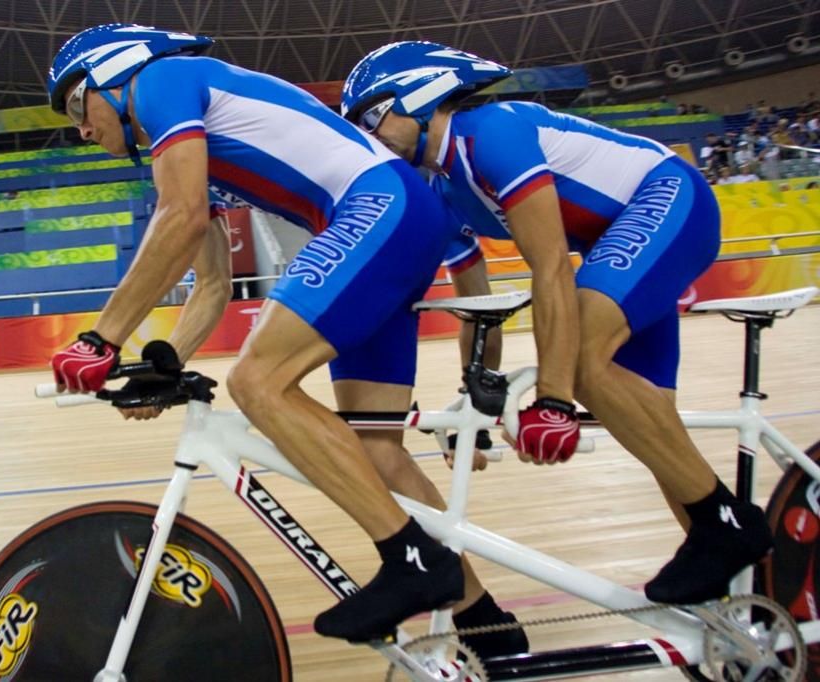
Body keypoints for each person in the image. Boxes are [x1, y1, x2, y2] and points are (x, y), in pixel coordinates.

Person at [45, 24, 528, 655]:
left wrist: (100, 339)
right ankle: (484, 619)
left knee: (257, 381)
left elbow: (180, 215)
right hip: (394, 215)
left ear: (112, 69)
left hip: (374, 207)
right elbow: (213, 283)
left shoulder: (160, 80)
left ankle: (412, 562)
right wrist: (164, 364)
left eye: (78, 103)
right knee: (374, 446)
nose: (81, 128)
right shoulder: (186, 142)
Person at [341, 41, 774, 605]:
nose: (366, 136)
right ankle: (748, 607)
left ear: (423, 98)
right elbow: (478, 302)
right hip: (618, 243)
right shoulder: (438, 189)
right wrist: (473, 401)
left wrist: (554, 398)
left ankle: (726, 525)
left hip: (667, 199)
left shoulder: (488, 132)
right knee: (650, 422)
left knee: (580, 365)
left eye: (372, 117)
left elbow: (549, 269)